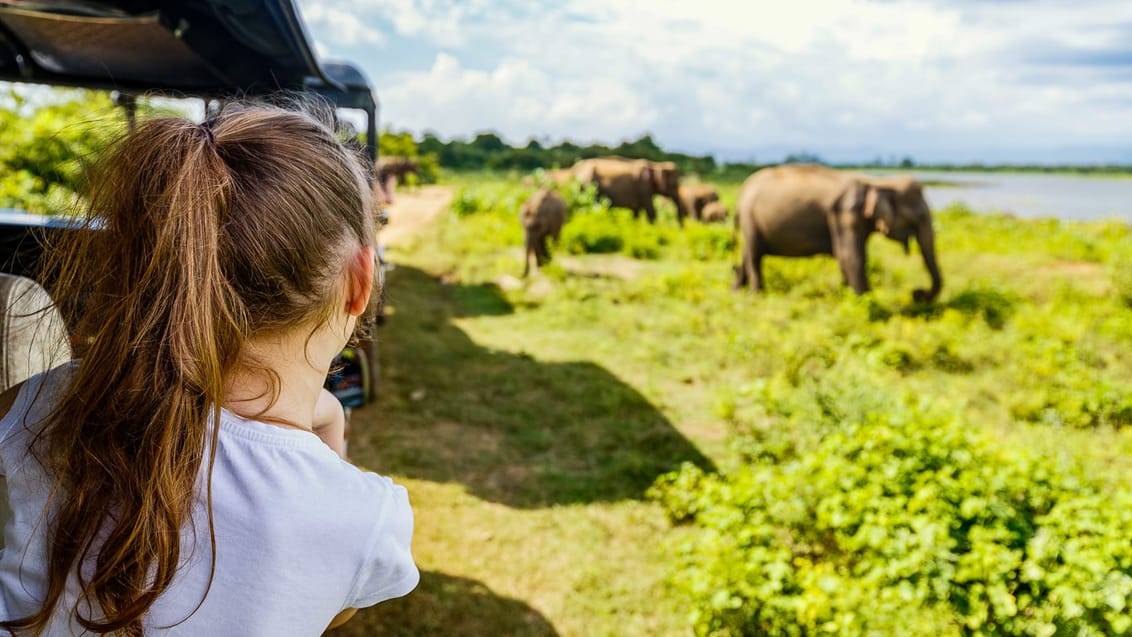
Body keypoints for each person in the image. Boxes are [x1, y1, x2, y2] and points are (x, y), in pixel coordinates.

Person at [0, 101, 418, 635]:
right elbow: (332, 607)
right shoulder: (365, 520)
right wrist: (330, 434)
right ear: (360, 283)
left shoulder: (45, 402)